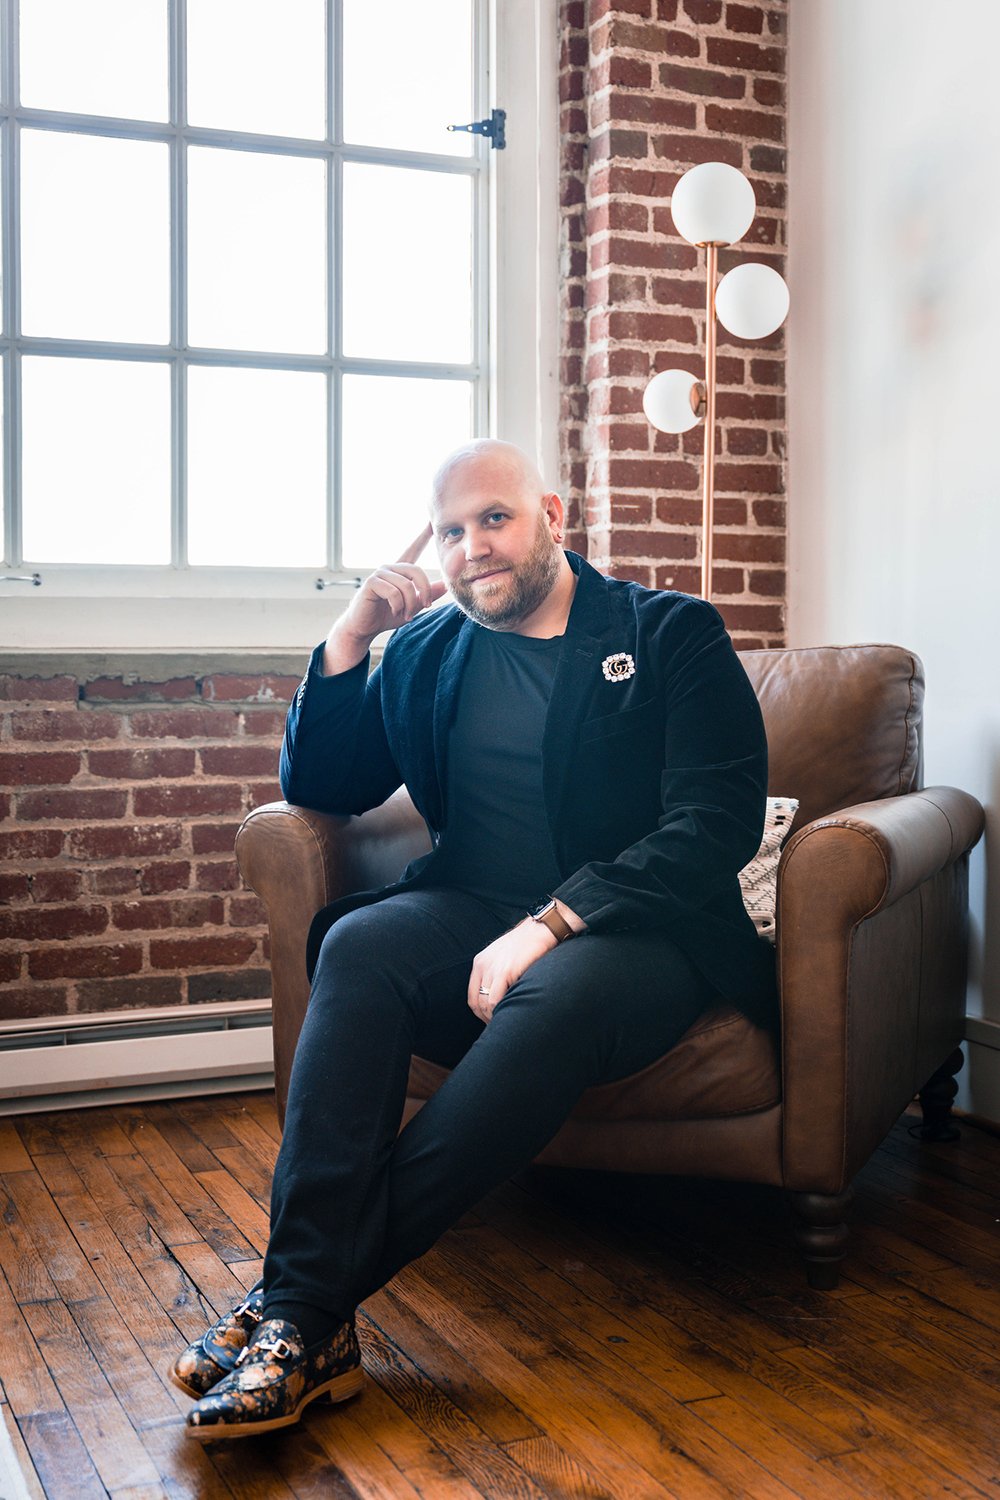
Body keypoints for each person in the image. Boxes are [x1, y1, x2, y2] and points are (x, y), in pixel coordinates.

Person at [170, 439, 777, 1441]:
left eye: (493, 518)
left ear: (550, 515)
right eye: (451, 531)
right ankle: (306, 1318)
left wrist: (552, 922)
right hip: (470, 904)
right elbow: (324, 788)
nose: (472, 547)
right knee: (360, 944)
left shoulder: (668, 632)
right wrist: (352, 630)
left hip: (639, 930)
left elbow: (716, 822)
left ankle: (295, 1310)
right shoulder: (423, 652)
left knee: (555, 995)